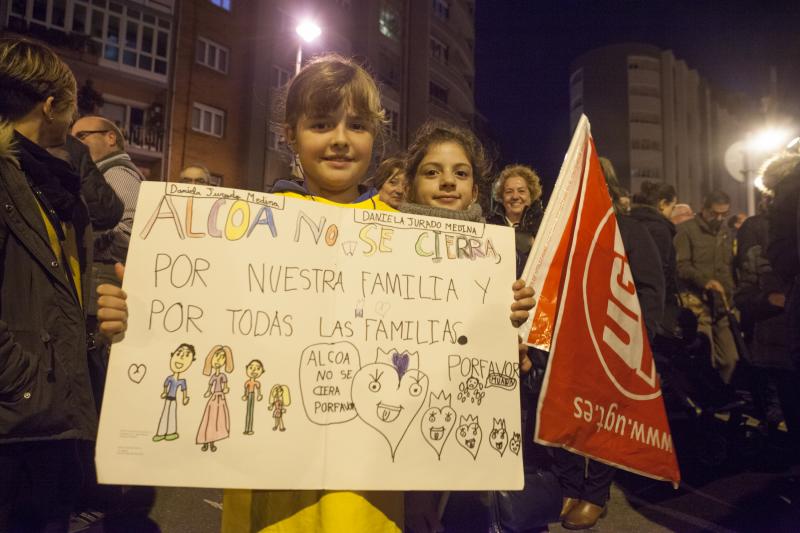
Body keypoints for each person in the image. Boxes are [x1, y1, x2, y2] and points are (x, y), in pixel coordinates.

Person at [222, 54, 534, 533]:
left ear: (376, 135)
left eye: (358, 125)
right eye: (322, 124)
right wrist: (134, 316)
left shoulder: (404, 236)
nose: (341, 139)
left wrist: (495, 331)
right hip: (275, 482)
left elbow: (440, 356)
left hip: (369, 492)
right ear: (290, 134)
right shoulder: (249, 228)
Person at [396, 121, 555, 533]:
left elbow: (509, 361)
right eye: (432, 172)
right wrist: (414, 495)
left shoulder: (495, 254)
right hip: (400, 450)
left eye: (460, 173)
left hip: (472, 454)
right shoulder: (384, 250)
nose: (448, 181)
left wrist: (516, 335)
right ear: (410, 185)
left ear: (475, 189)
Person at [0, 37, 128, 532]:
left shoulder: (44, 173)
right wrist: (23, 382)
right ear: (50, 105)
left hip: (42, 415)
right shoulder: (15, 174)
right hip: (22, 419)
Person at [554, 157, 664, 531]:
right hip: (568, 338)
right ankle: (570, 486)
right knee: (567, 415)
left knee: (605, 420)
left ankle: (595, 495)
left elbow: (651, 286)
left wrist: (639, 341)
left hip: (614, 340)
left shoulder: (630, 229)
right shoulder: (564, 229)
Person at [674, 189, 739, 384]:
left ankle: (723, 397)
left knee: (730, 359)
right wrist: (704, 282)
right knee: (705, 358)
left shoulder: (726, 232)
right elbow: (681, 266)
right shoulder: (686, 230)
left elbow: (729, 266)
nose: (719, 218)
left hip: (722, 306)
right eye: (714, 213)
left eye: (723, 214)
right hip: (697, 306)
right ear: (704, 209)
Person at [487, 164, 545, 277]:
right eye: (509, 191)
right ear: (501, 197)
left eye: (521, 191)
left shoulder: (545, 226)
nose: (515, 196)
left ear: (531, 195)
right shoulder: (488, 225)